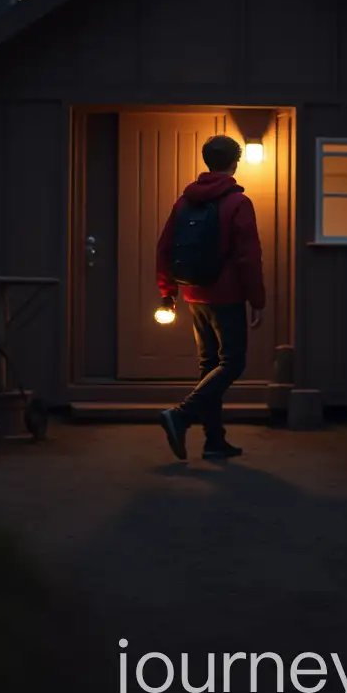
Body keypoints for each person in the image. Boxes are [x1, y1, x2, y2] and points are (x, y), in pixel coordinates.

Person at [155, 134, 266, 460]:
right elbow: (249, 257)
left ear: (207, 161)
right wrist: (256, 301)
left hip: (193, 293)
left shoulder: (184, 200)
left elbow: (164, 248)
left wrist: (168, 293)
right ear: (235, 162)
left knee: (210, 365)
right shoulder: (238, 203)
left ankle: (214, 441)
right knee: (233, 363)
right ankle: (182, 415)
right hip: (227, 295)